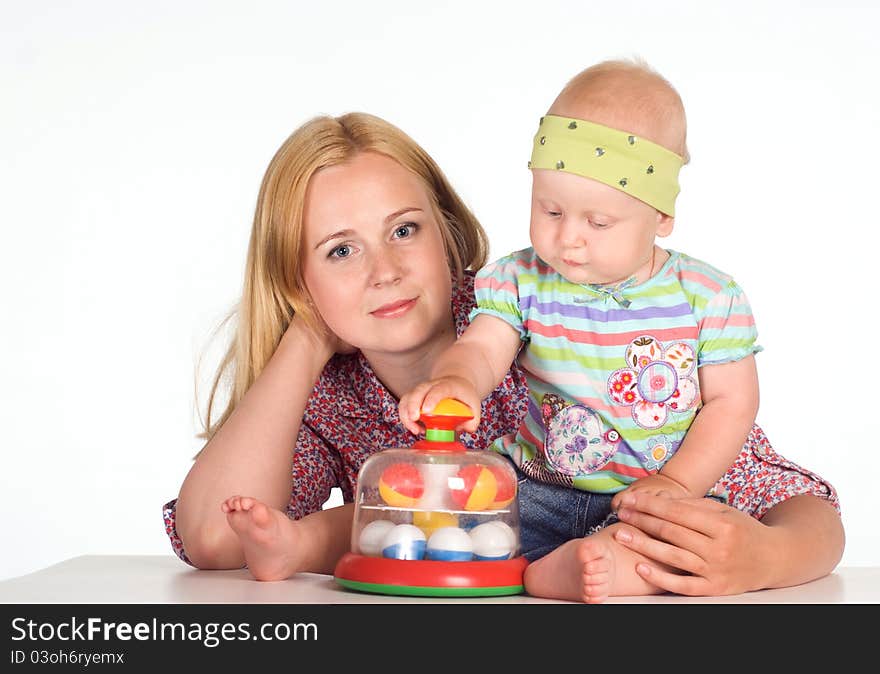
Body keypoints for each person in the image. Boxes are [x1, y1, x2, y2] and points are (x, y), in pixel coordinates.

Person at [163, 110, 843, 598]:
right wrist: (307, 332)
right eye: (340, 250)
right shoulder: (328, 394)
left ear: (448, 233)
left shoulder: (551, 318)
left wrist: (766, 557)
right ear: (296, 278)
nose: (386, 270)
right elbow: (214, 539)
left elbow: (798, 504)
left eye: (404, 230)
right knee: (376, 515)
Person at [398, 59, 844, 603]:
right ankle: (536, 560)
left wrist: (678, 484)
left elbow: (732, 403)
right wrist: (457, 383)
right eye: (551, 210)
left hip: (653, 498)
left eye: (599, 223)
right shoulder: (521, 281)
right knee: (459, 523)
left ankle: (587, 566)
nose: (570, 240)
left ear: (660, 218)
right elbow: (484, 348)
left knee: (681, 546)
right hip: (542, 487)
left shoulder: (707, 296)